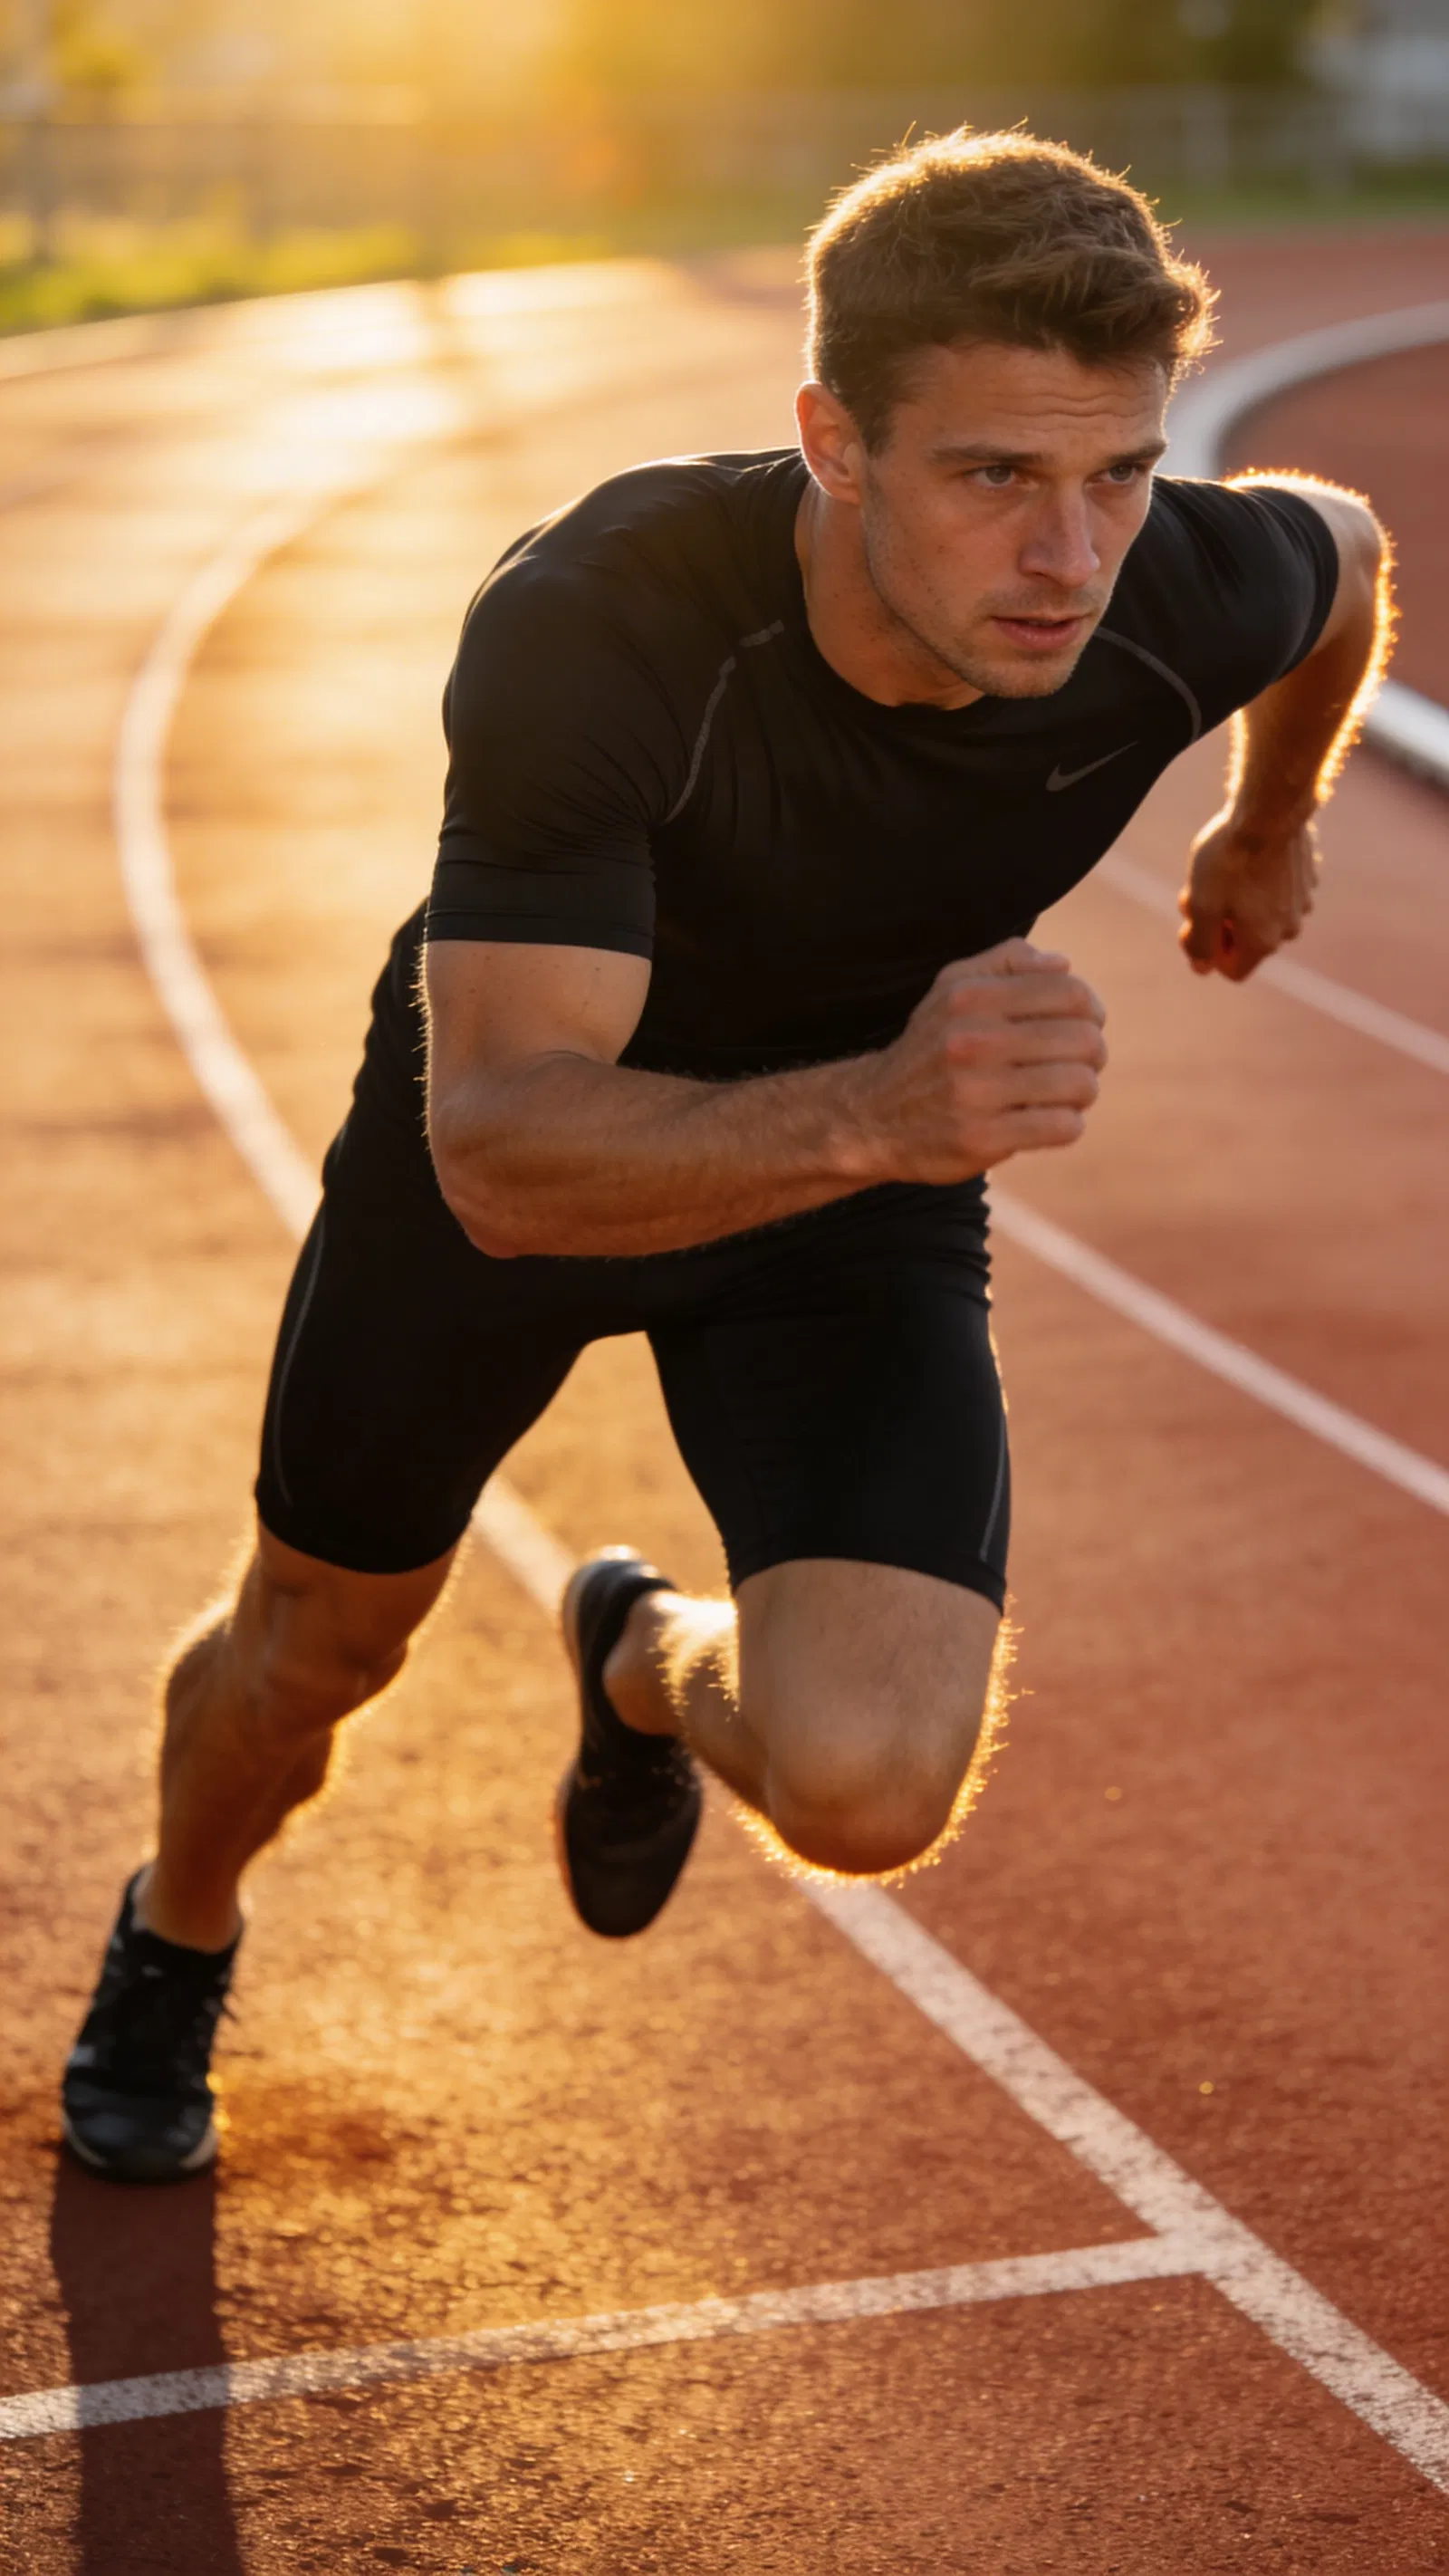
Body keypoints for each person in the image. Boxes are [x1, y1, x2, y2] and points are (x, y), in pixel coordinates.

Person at [63, 129, 1388, 2181]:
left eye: (1117, 473)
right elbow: (502, 1153)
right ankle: (176, 1930)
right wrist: (883, 1108)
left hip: (848, 1198)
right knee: (314, 1649)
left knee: (865, 1784)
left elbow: (1344, 554)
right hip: (531, 1148)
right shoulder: (600, 621)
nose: (1069, 555)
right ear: (831, 444)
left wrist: (1266, 820)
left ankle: (634, 1656)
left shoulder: (1166, 588)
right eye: (991, 478)